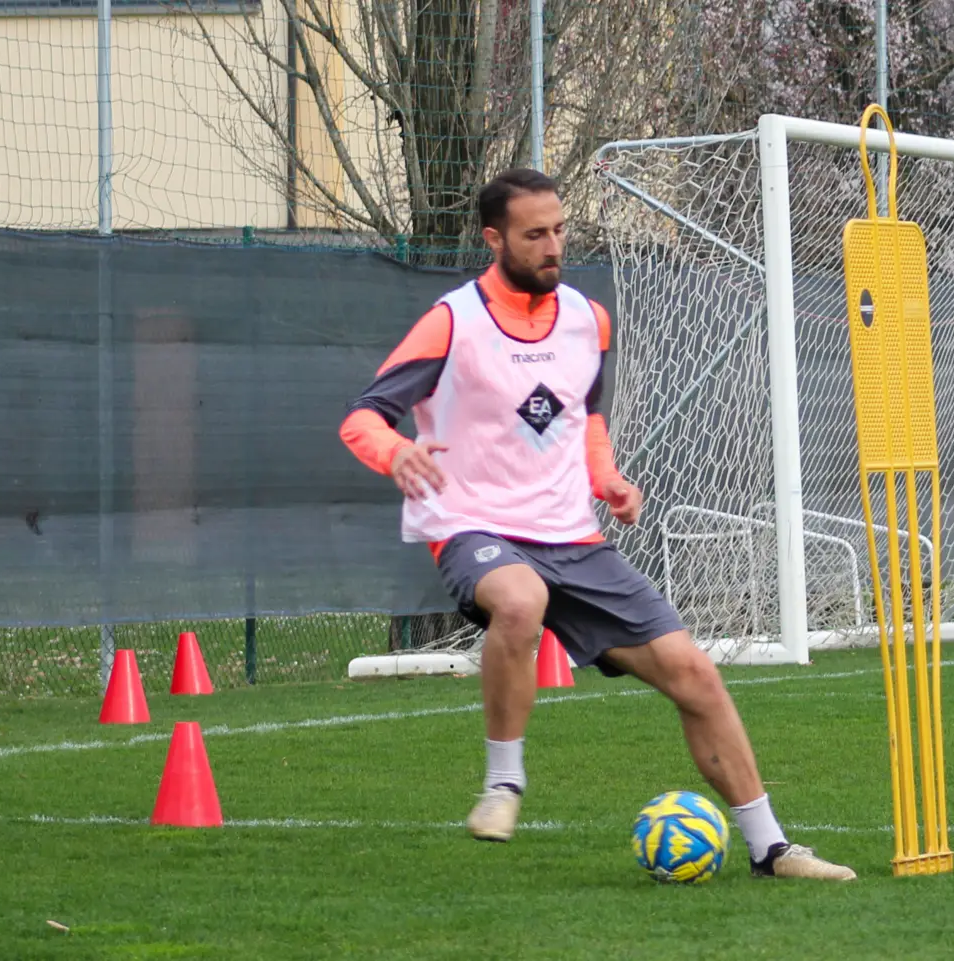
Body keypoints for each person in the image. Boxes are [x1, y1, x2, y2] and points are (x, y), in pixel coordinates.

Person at [339, 168, 856, 882]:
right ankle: (503, 782)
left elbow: (585, 417)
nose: (554, 245)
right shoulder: (451, 320)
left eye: (559, 229)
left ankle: (772, 847)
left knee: (696, 674)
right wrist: (395, 451)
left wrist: (604, 476)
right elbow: (362, 417)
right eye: (534, 234)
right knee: (519, 600)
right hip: (472, 525)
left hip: (573, 537)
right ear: (494, 239)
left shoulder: (589, 318)